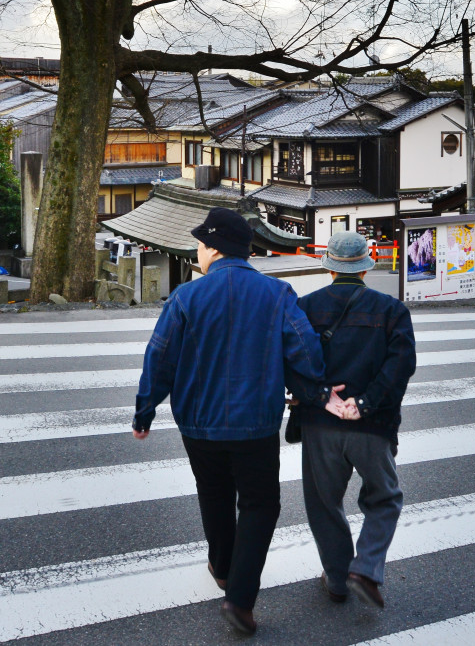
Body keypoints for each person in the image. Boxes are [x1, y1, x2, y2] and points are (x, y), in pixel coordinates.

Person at [132, 207, 346, 636]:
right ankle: (241, 599)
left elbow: (160, 356)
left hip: (198, 423)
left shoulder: (186, 297)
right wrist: (313, 389)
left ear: (213, 248)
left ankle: (222, 567)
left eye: (199, 244)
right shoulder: (277, 294)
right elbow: (305, 353)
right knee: (259, 504)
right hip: (256, 424)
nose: (198, 251)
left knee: (213, 492)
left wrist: (145, 410)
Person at [289, 231, 417, 609]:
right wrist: (363, 402)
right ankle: (366, 567)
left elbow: (288, 360)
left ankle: (338, 579)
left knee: (324, 503)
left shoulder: (305, 307)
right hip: (371, 425)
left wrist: (321, 397)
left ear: (328, 266)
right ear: (367, 265)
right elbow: (401, 366)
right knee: (385, 498)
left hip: (320, 424)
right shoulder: (392, 310)